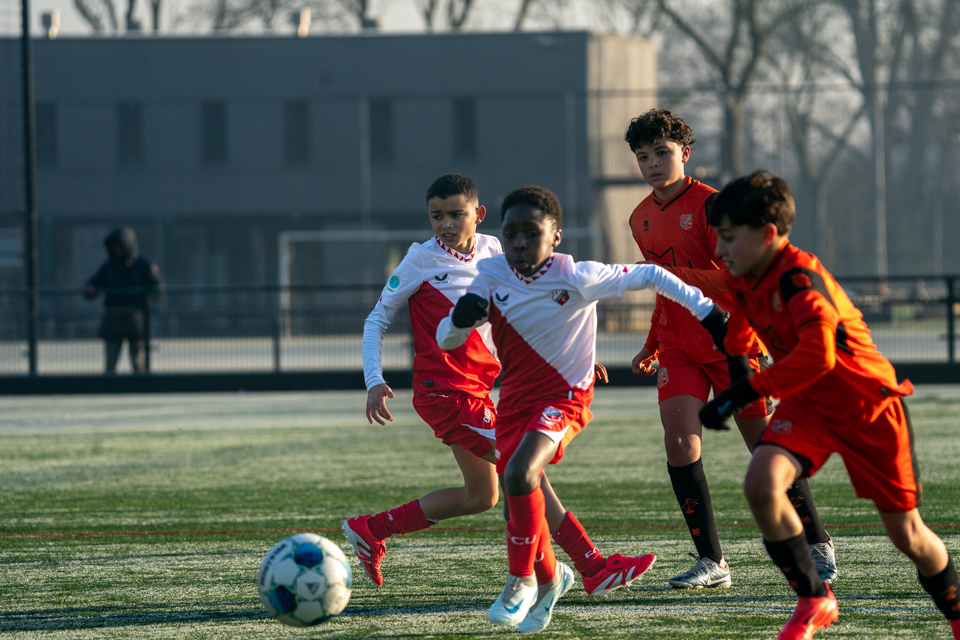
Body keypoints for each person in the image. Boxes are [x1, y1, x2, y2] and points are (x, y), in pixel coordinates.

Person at [344, 174, 652, 599]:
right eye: (437, 216)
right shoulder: (419, 260)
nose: (446, 225)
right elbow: (376, 320)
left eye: (456, 214)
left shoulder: (495, 250)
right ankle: (591, 565)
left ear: (478, 214)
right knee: (526, 472)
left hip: (478, 391)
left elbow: (532, 304)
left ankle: (370, 529)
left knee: (482, 495)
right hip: (446, 394)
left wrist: (573, 351)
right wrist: (375, 381)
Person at [437, 185, 728, 632]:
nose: (518, 241)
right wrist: (457, 321)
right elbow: (447, 340)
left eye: (530, 232)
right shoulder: (491, 274)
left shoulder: (577, 275)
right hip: (513, 405)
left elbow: (652, 275)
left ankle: (522, 583)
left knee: (517, 475)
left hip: (565, 399)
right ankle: (553, 578)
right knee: (520, 495)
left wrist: (705, 309)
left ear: (555, 236)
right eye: (510, 232)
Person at [699, 170, 960, 640]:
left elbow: (820, 355)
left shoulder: (799, 278)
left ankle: (959, 615)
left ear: (768, 235)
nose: (719, 250)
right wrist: (738, 394)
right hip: (809, 408)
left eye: (729, 238)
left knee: (908, 537)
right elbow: (738, 339)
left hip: (870, 410)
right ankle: (814, 596)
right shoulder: (742, 277)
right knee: (761, 484)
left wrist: (745, 392)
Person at [624, 108, 836, 588]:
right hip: (679, 347)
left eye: (662, 152)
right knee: (679, 444)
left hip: (732, 342)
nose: (653, 163)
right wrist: (652, 343)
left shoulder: (714, 206)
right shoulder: (638, 218)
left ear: (685, 153)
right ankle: (712, 562)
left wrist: (670, 276)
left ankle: (816, 541)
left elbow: (732, 276)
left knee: (765, 449)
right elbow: (664, 292)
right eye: (643, 156)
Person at [83, 226, 162, 374]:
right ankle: (108, 391)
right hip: (113, 321)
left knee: (138, 364)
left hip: (136, 321)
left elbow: (157, 290)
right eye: (114, 247)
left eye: (120, 246)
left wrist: (143, 301)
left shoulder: (143, 265)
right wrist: (90, 290)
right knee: (110, 365)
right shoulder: (109, 267)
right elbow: (93, 285)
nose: (117, 250)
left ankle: (141, 391)